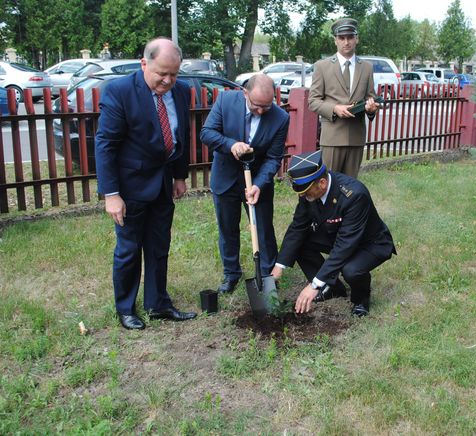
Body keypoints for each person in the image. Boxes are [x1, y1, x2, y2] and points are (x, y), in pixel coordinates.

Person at [95, 37, 197, 330]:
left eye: (173, 74)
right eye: (161, 73)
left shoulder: (180, 91)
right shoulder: (120, 91)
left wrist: (179, 176)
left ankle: (158, 303)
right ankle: (126, 308)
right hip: (130, 186)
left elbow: (180, 135)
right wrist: (111, 194)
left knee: (158, 245)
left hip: (163, 183)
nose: (168, 80)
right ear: (144, 64)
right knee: (129, 249)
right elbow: (106, 145)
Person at [271, 150, 396, 316]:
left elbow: (345, 245)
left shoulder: (354, 195)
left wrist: (313, 285)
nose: (302, 195)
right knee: (300, 244)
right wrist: (280, 265)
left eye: (306, 192)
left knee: (351, 270)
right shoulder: (309, 190)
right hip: (338, 236)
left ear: (322, 183)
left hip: (370, 243)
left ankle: (361, 300)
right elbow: (298, 227)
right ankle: (332, 288)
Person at [200, 74, 290, 294]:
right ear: (245, 94)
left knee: (263, 230)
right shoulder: (225, 102)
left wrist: (259, 184)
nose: (261, 111)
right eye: (257, 106)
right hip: (226, 179)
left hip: (257, 181)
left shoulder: (280, 118)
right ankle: (231, 273)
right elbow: (207, 133)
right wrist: (230, 144)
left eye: (266, 107)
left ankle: (268, 276)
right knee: (228, 228)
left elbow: (273, 157)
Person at [308, 17, 379, 178]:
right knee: (329, 185)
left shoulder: (367, 68)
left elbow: (370, 98)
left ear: (357, 39)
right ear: (335, 40)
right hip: (332, 137)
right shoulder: (322, 66)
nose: (346, 42)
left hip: (356, 137)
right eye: (342, 38)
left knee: (350, 188)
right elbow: (313, 101)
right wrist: (334, 108)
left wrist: (371, 109)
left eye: (350, 37)